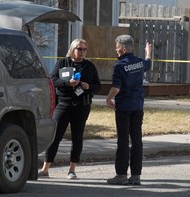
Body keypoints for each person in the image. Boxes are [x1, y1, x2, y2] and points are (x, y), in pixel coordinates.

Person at [38, 38, 101, 179]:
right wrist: (68, 83)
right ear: (73, 49)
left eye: (84, 49)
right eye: (79, 49)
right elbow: (53, 80)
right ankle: (45, 169)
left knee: (77, 138)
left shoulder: (89, 66)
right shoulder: (62, 63)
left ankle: (72, 170)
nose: (82, 52)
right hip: (63, 105)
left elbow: (98, 86)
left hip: (82, 106)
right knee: (55, 136)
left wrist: (88, 86)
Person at [106, 35, 152, 185]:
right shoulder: (139, 62)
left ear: (124, 49)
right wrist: (148, 52)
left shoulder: (119, 66)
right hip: (138, 107)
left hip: (124, 107)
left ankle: (121, 175)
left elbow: (116, 88)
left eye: (117, 47)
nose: (116, 49)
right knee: (137, 141)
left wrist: (108, 98)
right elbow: (148, 64)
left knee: (123, 141)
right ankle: (136, 175)